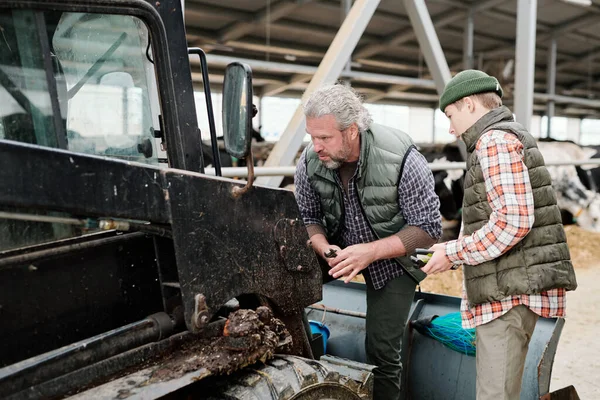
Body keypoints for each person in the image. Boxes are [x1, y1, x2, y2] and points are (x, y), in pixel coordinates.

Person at [422, 69, 578, 400]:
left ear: (468, 105)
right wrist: (451, 249)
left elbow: (513, 222)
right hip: (512, 288)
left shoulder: (493, 141)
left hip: (508, 297)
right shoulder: (508, 136)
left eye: (451, 115)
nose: (450, 128)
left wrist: (452, 253)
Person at [294, 83, 442, 400]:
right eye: (311, 136)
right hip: (337, 251)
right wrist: (322, 246)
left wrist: (371, 252)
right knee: (282, 297)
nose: (315, 146)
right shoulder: (309, 162)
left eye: (324, 138)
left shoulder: (402, 158)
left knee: (382, 350)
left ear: (351, 131)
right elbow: (308, 217)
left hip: (392, 258)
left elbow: (428, 227)